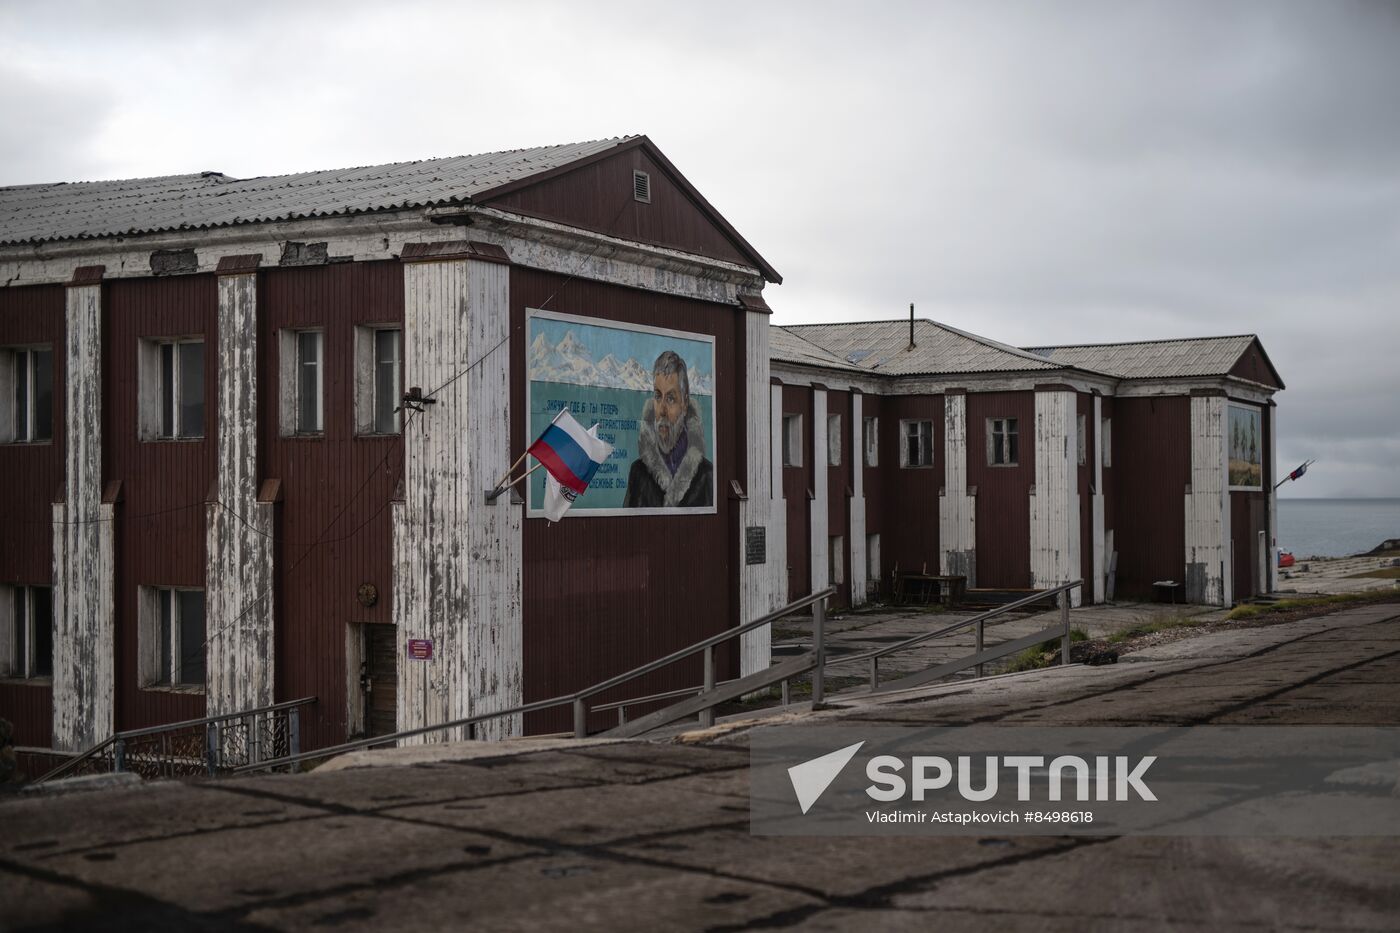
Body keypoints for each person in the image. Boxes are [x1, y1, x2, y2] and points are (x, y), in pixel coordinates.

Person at [624, 350, 713, 508]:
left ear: (684, 404)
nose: (662, 410)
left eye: (671, 398)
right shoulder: (638, 473)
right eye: (658, 396)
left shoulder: (706, 476)